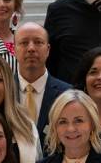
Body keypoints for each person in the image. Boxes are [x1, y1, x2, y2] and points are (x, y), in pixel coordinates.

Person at [15, 22, 70, 152]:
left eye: (38, 42)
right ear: (14, 49)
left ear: (48, 50)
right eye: (24, 43)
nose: (31, 48)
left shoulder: (67, 94)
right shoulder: (3, 92)